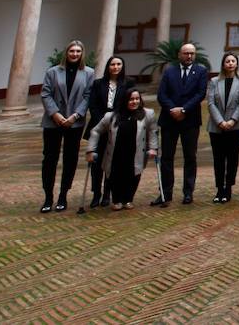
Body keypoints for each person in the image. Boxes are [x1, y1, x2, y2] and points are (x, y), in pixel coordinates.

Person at [40, 39, 95, 213]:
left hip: (74, 123)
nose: (75, 54)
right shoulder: (53, 72)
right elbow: (45, 93)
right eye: (72, 51)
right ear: (67, 52)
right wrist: (55, 114)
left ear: (82, 54)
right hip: (52, 122)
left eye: (78, 51)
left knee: (70, 160)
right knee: (50, 159)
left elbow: (88, 96)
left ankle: (63, 195)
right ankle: (48, 197)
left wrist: (75, 116)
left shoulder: (89, 73)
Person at [154, 40, 207, 206]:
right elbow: (162, 95)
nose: (189, 56)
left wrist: (183, 110)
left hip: (190, 120)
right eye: (186, 53)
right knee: (167, 158)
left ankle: (188, 192)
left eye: (192, 53)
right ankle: (165, 193)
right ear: (179, 55)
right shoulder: (169, 72)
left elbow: (200, 94)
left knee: (190, 156)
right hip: (169, 120)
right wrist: (173, 110)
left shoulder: (201, 71)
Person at [86, 88, 158, 210]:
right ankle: (117, 200)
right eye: (131, 99)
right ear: (125, 100)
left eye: (137, 99)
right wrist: (90, 150)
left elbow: (153, 131)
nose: (134, 102)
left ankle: (128, 199)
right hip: (116, 152)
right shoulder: (111, 116)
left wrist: (153, 148)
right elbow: (96, 131)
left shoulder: (148, 114)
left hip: (135, 151)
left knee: (134, 174)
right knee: (115, 175)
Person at [84, 55, 127, 209]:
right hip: (98, 124)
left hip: (117, 126)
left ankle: (107, 193)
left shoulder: (127, 84)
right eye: (112, 64)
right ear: (108, 66)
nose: (115, 67)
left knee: (112, 162)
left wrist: (114, 121)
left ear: (122, 66)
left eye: (118, 64)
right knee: (96, 161)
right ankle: (96, 193)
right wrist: (102, 120)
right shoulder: (98, 84)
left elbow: (128, 105)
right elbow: (92, 105)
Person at [207, 52, 239, 202]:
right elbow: (210, 103)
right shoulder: (214, 81)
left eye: (233, 61)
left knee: (232, 157)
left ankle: (228, 188)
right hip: (216, 126)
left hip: (236, 126)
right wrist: (220, 121)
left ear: (237, 64)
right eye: (227, 61)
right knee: (218, 158)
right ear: (223, 64)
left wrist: (232, 120)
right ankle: (219, 189)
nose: (230, 63)